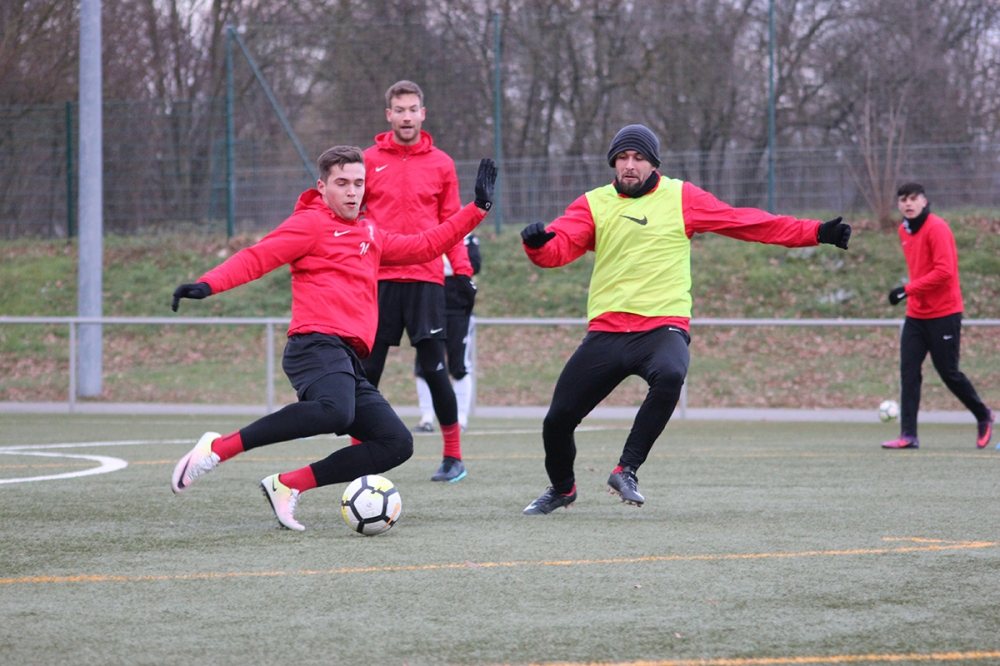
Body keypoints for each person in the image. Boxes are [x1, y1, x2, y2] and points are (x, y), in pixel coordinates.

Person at [519, 124, 851, 515]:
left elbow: (747, 222)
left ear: (653, 163)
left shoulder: (681, 197)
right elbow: (559, 248)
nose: (629, 165)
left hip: (662, 327)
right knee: (557, 421)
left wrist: (816, 232)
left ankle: (627, 469)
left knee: (671, 374)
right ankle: (562, 489)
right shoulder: (593, 204)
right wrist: (537, 246)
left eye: (638, 158)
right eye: (622, 158)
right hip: (607, 330)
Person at [169, 146, 496, 531]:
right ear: (322, 187)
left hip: (346, 357)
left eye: (359, 183)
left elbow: (425, 246)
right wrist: (208, 284)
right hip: (313, 345)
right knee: (336, 411)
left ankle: (288, 485)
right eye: (342, 183)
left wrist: (477, 209)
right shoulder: (309, 224)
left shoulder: (370, 232)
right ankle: (217, 448)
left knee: (396, 443)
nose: (352, 192)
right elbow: (257, 258)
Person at [360, 80, 477, 483]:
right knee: (367, 369)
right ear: (388, 115)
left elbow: (453, 224)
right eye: (399, 110)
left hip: (427, 279)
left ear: (423, 114)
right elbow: (353, 218)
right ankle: (359, 453)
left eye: (413, 109)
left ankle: (453, 457)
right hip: (378, 279)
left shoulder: (442, 164)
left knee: (434, 368)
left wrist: (463, 272)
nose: (406, 116)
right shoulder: (367, 160)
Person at [882, 183, 993, 450]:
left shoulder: (937, 228)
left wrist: (907, 290)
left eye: (913, 198)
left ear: (924, 201)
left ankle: (983, 414)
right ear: (898, 205)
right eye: (903, 200)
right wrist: (912, 294)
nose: (908, 204)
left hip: (945, 312)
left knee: (948, 373)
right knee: (909, 372)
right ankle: (908, 435)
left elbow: (944, 272)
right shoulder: (903, 230)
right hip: (916, 315)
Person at [413, 233, 482, 433]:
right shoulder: (429, 232)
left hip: (458, 309)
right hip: (430, 304)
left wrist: (444, 265)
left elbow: (474, 264)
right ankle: (427, 418)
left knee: (458, 365)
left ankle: (460, 419)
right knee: (425, 362)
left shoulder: (467, 237)